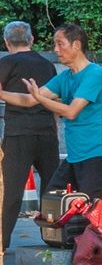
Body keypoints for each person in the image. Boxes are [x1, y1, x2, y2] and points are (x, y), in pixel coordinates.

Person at [3, 24, 102, 200]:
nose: (55, 49)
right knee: (52, 201)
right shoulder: (64, 78)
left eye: (60, 44)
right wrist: (1, 93)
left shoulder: (95, 74)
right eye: (54, 44)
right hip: (75, 156)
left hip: (98, 154)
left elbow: (71, 112)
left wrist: (40, 99)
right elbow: (29, 100)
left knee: (91, 210)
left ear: (76, 45)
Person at [0, 22, 60, 251]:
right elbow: (55, 100)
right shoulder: (47, 65)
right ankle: (53, 237)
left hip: (18, 134)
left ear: (7, 42)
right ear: (32, 40)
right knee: (52, 188)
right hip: (46, 133)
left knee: (10, 191)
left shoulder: (6, 63)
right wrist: (54, 130)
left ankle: (2, 242)